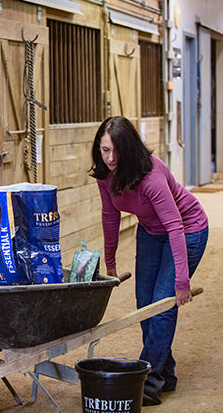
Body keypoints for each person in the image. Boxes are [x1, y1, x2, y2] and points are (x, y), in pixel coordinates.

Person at [89, 116, 208, 406]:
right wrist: (111, 261)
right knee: (145, 304)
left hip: (187, 229)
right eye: (105, 150)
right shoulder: (105, 174)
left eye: (116, 151)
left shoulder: (151, 176)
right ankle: (166, 373)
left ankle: (150, 382)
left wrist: (182, 282)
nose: (111, 157)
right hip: (151, 231)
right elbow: (110, 215)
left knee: (163, 305)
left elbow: (175, 226)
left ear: (130, 148)